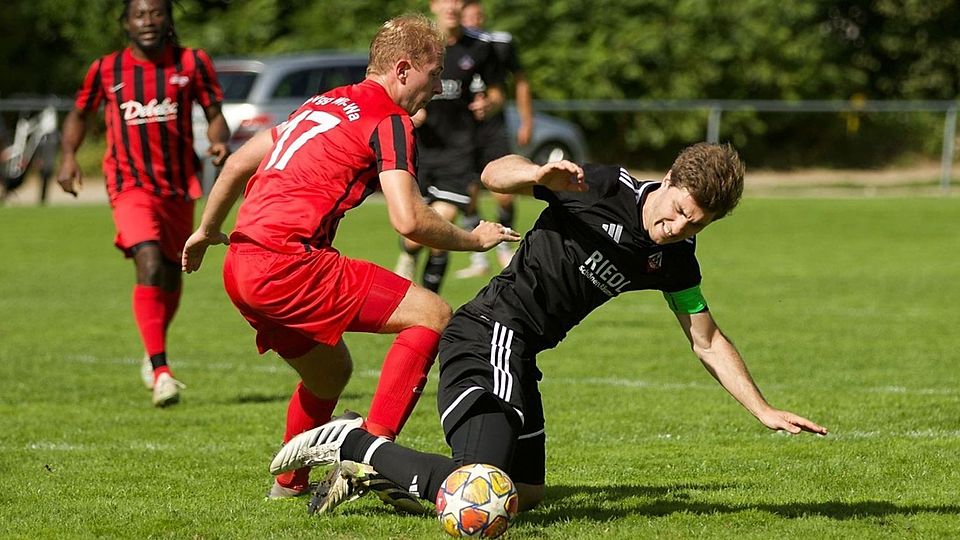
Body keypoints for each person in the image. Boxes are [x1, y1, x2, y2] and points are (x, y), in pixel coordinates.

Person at [271, 143, 829, 516]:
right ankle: (352, 440)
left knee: (527, 495)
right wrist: (536, 175)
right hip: (489, 333)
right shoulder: (602, 187)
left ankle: (376, 472)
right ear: (669, 180)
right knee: (480, 486)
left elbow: (706, 339)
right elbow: (494, 173)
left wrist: (762, 409)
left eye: (695, 224)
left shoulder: (675, 257)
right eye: (679, 210)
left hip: (523, 354)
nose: (676, 227)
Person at [180, 13, 518, 500]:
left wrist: (206, 231)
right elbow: (409, 220)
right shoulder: (391, 120)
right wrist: (475, 239)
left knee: (330, 374)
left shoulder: (326, 101)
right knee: (432, 314)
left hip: (241, 264)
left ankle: (288, 485)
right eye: (433, 73)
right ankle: (369, 458)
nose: (438, 85)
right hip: (289, 263)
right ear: (403, 69)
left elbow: (236, 162)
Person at [56, 0, 230, 407]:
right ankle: (161, 369)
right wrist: (67, 157)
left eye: (156, 13)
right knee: (148, 260)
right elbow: (79, 114)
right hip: (129, 184)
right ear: (126, 22)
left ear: (168, 19)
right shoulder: (106, 69)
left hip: (177, 186)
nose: (148, 21)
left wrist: (219, 141)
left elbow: (214, 113)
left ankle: (153, 351)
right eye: (139, 14)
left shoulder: (192, 63)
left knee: (171, 273)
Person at [393, 0, 506, 293]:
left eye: (458, 1)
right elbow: (393, 88)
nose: (452, 6)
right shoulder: (416, 44)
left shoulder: (481, 47)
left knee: (442, 223)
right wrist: (408, 112)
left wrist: (489, 104)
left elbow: (497, 94)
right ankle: (408, 254)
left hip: (459, 150)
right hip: (418, 150)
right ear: (433, 5)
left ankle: (427, 300)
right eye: (446, 0)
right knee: (414, 235)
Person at [456, 0, 534, 278]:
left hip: (493, 129)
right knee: (467, 194)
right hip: (463, 132)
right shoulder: (450, 47)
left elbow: (519, 81)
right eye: (468, 16)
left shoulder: (499, 44)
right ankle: (478, 256)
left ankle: (505, 246)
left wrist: (527, 121)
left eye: (478, 15)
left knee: (504, 194)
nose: (474, 20)